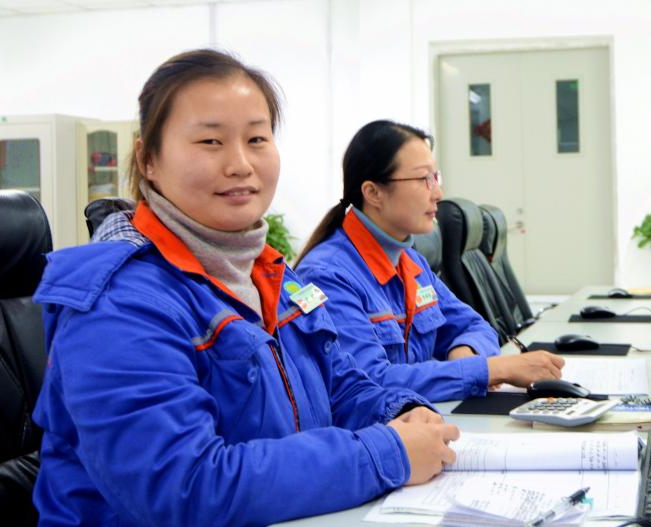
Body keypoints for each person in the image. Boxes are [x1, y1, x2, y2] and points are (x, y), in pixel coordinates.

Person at [31, 51, 459, 526]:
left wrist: (401, 412)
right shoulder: (118, 304)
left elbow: (341, 385)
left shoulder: (272, 274)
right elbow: (185, 488)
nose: (240, 164)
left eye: (257, 138)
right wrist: (386, 453)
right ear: (148, 159)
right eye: (210, 141)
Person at [294, 120, 564, 403]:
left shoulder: (410, 262)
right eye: (423, 179)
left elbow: (475, 326)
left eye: (436, 177)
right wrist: (492, 370)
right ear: (373, 193)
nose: (437, 193)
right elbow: (371, 382)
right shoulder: (328, 276)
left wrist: (467, 354)